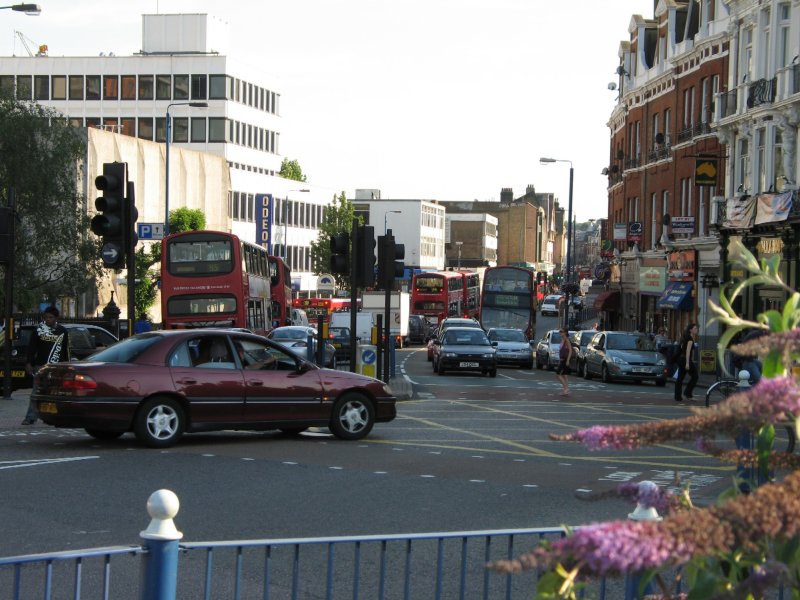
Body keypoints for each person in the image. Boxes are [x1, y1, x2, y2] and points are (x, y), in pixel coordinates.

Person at [22, 306, 70, 425]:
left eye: (50, 317)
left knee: (56, 392)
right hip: (41, 366)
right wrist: (29, 363)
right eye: (46, 317)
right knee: (36, 391)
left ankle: (56, 417)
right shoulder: (38, 330)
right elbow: (32, 348)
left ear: (56, 318)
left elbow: (65, 350)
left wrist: (67, 365)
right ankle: (30, 417)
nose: (48, 319)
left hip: (57, 367)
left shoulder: (62, 331)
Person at [674, 323, 698, 402]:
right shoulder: (690, 339)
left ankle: (678, 396)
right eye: (695, 328)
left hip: (681, 359)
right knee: (695, 376)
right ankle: (688, 393)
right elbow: (688, 351)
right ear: (690, 330)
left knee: (680, 378)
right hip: (685, 360)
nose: (696, 330)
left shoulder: (685, 337)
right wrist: (688, 363)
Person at [555, 327, 573, 397]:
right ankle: (566, 390)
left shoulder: (567, 340)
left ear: (565, 332)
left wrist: (568, 360)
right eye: (560, 331)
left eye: (561, 331)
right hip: (562, 359)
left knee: (558, 374)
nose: (560, 333)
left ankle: (566, 388)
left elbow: (570, 350)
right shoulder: (562, 340)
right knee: (565, 375)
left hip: (565, 360)